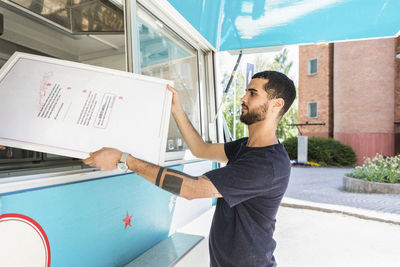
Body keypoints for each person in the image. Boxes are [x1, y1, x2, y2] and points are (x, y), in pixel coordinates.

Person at [83, 70, 296, 267]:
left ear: (277, 104)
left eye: (252, 93)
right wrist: (176, 109)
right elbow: (200, 148)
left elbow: (191, 189)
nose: (243, 98)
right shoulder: (245, 146)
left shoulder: (267, 165)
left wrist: (125, 159)